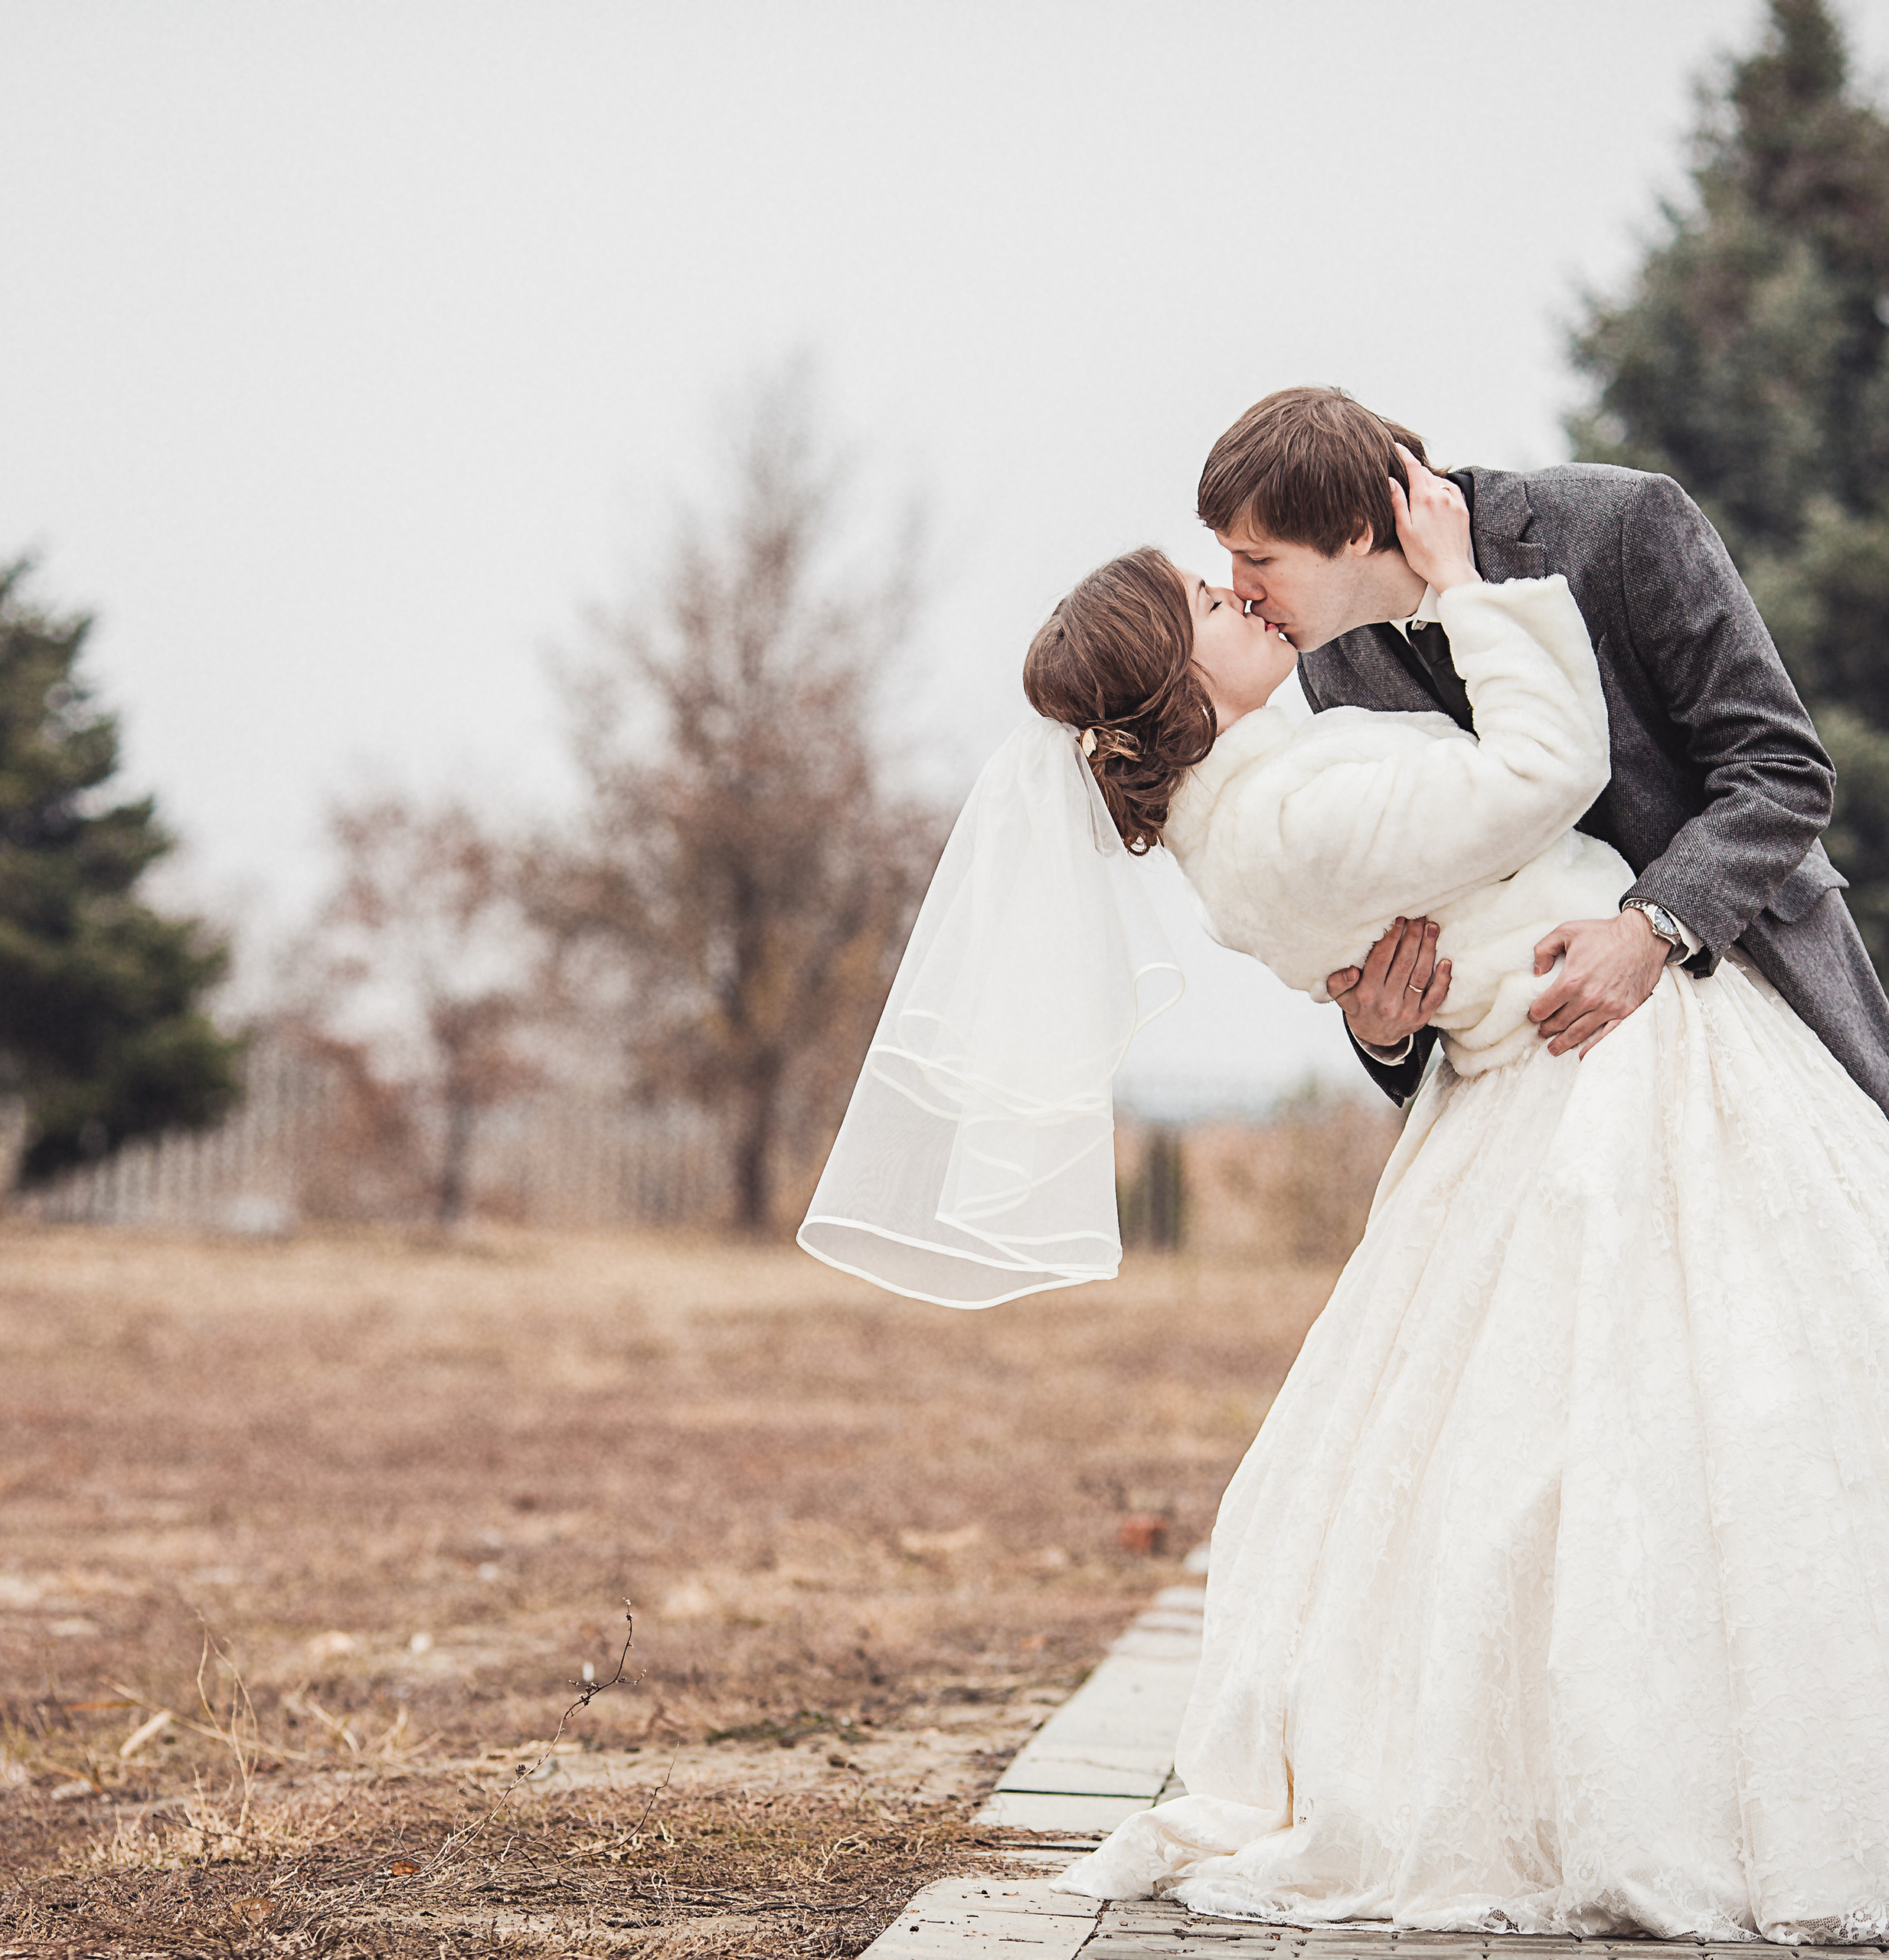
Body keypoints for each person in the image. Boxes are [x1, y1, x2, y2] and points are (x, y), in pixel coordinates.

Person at [799, 462, 1889, 1939]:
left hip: (1602, 1044)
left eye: (1245, 562)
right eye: (1209, 589)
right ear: (1178, 684)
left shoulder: (1282, 774)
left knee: (1684, 1422)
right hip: (1580, 1076)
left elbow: (1734, 792)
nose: (1238, 589)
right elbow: (1545, 772)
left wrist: (1433, 996)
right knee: (1635, 1438)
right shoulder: (1285, 794)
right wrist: (1465, 595)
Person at [1198, 385, 1889, 1117]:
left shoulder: (1621, 524)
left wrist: (1649, 929)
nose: (1239, 590)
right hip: (1542, 1075)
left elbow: (1783, 767)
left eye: (1258, 558)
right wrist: (1382, 1031)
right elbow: (1407, 883)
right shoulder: (1329, 661)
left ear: (1359, 532)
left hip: (1753, 989)